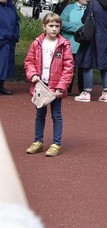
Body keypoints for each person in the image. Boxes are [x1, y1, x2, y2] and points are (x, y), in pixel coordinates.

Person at [24, 13, 74, 157]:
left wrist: (61, 87)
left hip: (56, 86)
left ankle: (56, 143)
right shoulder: (37, 43)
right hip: (41, 85)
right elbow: (29, 61)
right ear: (44, 26)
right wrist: (33, 74)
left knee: (56, 115)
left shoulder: (64, 44)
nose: (54, 29)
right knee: (40, 114)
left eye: (57, 26)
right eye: (51, 26)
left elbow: (68, 68)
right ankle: (38, 141)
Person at [74, 0, 107, 103]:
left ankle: (87, 92)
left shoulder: (92, 4)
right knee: (104, 64)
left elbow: (84, 19)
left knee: (87, 62)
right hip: (104, 36)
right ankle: (106, 92)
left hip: (91, 36)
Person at [60, 0, 92, 95]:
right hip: (70, 44)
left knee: (82, 69)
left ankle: (82, 90)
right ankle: (66, 88)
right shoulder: (69, 8)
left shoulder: (90, 9)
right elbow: (62, 22)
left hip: (84, 45)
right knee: (69, 68)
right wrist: (78, 29)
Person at [0, 0, 20, 95]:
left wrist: (15, 35)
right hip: (1, 38)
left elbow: (16, 22)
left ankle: (1, 85)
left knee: (5, 64)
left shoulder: (11, 7)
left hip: (9, 40)